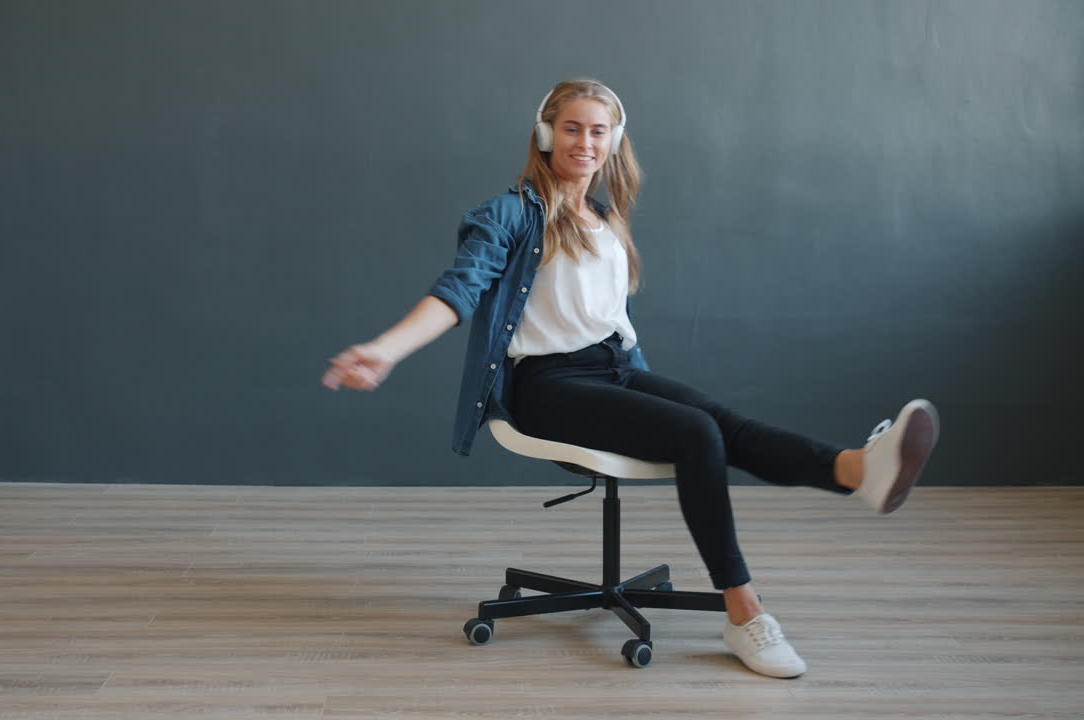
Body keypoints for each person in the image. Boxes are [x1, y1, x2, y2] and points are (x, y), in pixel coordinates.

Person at [321, 79, 939, 679]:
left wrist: (636, 381)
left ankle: (857, 471)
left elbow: (609, 318)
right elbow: (459, 290)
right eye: (570, 128)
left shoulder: (602, 215)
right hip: (547, 386)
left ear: (615, 139)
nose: (584, 142)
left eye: (598, 130)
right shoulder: (510, 214)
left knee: (725, 425)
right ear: (544, 133)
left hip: (614, 369)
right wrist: (385, 348)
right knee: (697, 433)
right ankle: (743, 611)